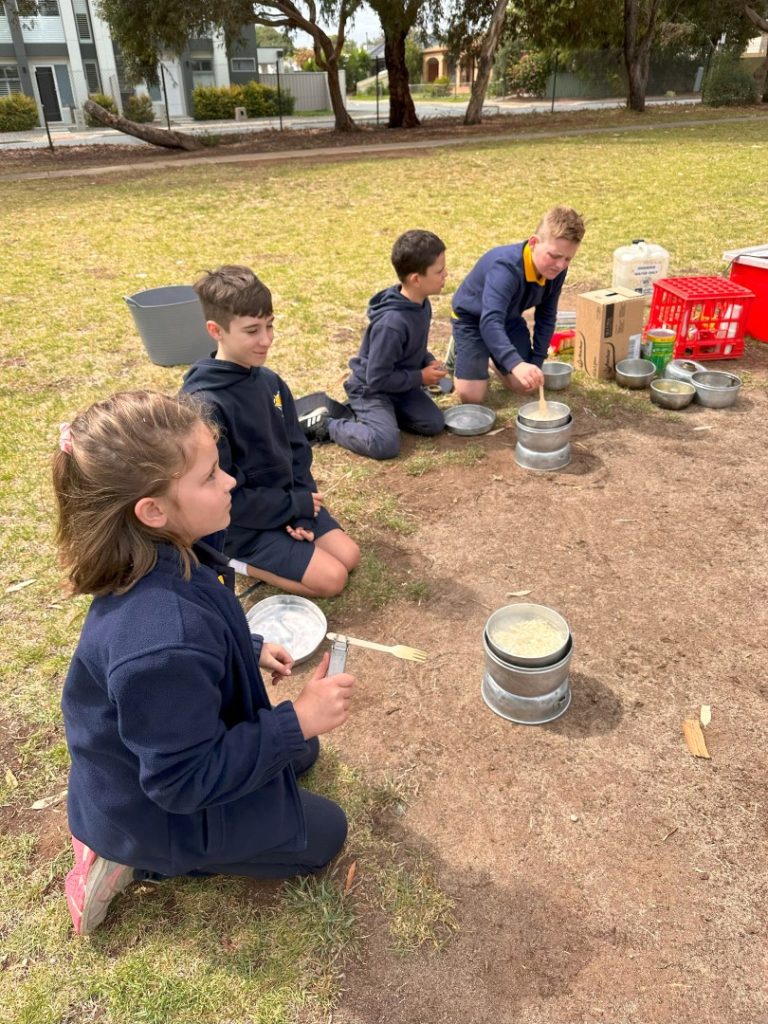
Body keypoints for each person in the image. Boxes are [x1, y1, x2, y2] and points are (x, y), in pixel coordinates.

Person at [54, 390, 356, 937]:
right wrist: (297, 719)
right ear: (153, 509)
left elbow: (208, 619)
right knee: (326, 833)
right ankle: (136, 859)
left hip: (170, 742)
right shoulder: (159, 643)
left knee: (302, 753)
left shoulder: (171, 545)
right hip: (152, 807)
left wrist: (247, 647)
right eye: (211, 476)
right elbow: (181, 782)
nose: (230, 481)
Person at [181, 266, 360, 598]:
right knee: (333, 579)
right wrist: (292, 506)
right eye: (252, 330)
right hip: (241, 525)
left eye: (270, 325)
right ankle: (232, 561)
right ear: (216, 330)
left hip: (288, 504)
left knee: (349, 556)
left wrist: (303, 512)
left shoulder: (271, 382)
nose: (266, 340)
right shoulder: (204, 405)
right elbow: (222, 495)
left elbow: (297, 452)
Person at [304, 229, 449, 461]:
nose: (446, 274)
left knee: (433, 423)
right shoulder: (391, 324)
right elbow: (376, 378)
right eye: (439, 271)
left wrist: (428, 361)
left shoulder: (422, 303)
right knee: (385, 445)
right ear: (416, 279)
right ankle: (328, 424)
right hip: (371, 388)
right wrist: (420, 377)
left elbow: (415, 347)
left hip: (400, 384)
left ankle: (380, 417)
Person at [449, 206, 586, 404]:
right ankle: (462, 348)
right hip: (473, 320)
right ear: (534, 243)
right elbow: (489, 321)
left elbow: (546, 316)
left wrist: (536, 362)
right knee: (472, 397)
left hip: (507, 318)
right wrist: (515, 364)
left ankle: (492, 357)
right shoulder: (506, 269)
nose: (560, 265)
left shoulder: (557, 270)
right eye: (555, 256)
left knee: (527, 385)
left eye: (568, 258)